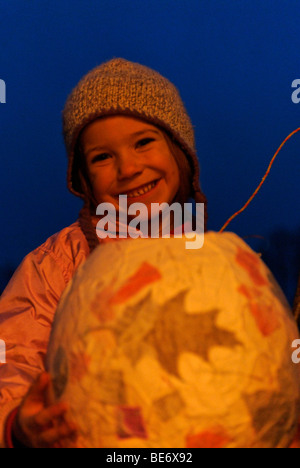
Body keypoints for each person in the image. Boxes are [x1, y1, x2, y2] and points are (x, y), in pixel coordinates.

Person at [0, 58, 207, 448]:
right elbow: (12, 355)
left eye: (143, 142)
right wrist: (16, 423)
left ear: (179, 149)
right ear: (83, 179)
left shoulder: (212, 261)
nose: (127, 168)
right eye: (102, 157)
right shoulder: (58, 264)